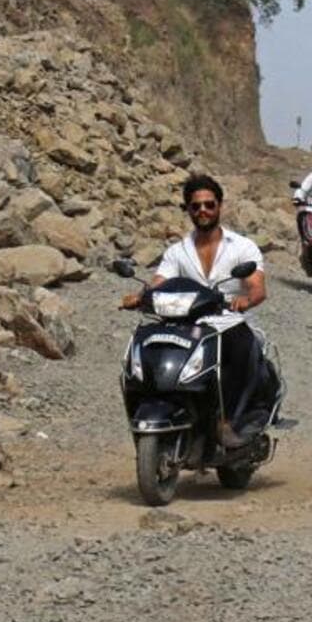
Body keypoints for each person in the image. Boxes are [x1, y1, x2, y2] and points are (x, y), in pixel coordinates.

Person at [121, 175, 271, 446]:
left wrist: (246, 300)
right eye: (196, 206)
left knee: (238, 347)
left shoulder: (242, 247)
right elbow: (159, 283)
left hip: (229, 322)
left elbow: (257, 286)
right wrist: (139, 297)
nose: (203, 210)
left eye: (209, 205)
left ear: (219, 206)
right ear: (188, 210)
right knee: (147, 344)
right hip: (186, 324)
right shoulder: (177, 251)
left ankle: (232, 421)